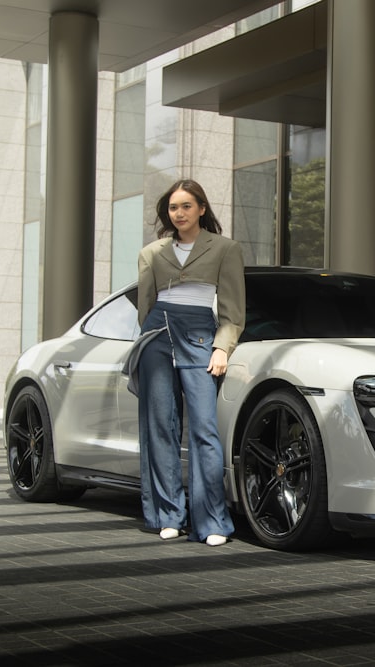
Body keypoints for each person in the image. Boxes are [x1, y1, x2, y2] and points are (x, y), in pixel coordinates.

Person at [135, 179, 245, 546]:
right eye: (172, 207)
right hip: (157, 338)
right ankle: (168, 515)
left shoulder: (225, 249)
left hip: (201, 339)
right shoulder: (152, 253)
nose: (178, 213)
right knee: (160, 428)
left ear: (201, 208)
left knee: (204, 430)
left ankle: (212, 522)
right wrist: (150, 338)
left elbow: (232, 311)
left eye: (185, 206)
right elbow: (146, 306)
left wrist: (221, 348)